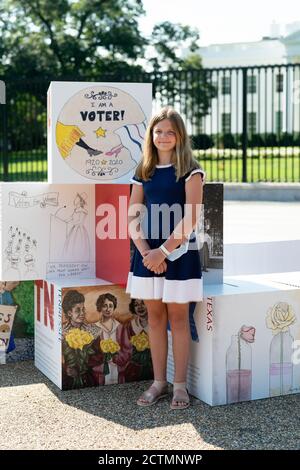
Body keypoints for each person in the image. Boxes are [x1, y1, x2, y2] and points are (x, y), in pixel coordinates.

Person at [126, 106, 205, 409]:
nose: (163, 136)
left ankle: (180, 386)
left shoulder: (190, 170)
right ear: (151, 135)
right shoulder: (142, 171)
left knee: (179, 319)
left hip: (179, 254)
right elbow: (132, 216)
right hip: (148, 256)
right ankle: (159, 382)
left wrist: (163, 251)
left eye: (170, 131)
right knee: (155, 319)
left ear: (179, 135)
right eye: (158, 131)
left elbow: (191, 218)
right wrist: (147, 251)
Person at [88, 293, 131, 385]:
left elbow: (127, 349)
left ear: (114, 308)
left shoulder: (120, 327)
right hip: (100, 372)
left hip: (118, 370)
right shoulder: (94, 327)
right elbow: (89, 350)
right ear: (100, 307)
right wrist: (102, 357)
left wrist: (115, 358)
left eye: (111, 306)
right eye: (105, 306)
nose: (108, 309)